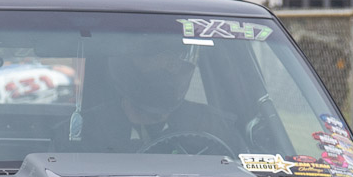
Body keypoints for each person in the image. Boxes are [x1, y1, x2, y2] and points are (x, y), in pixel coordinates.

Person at [78, 42, 241, 153]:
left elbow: (246, 169)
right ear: (126, 64)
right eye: (157, 55)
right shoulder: (84, 132)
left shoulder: (215, 128)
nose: (174, 67)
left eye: (182, 57)